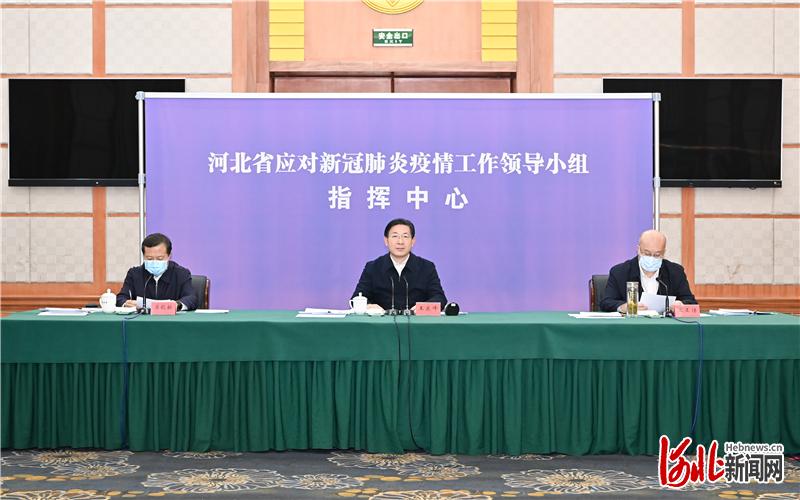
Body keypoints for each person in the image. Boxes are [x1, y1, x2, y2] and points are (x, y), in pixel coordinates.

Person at [352, 218, 447, 312]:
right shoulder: (373, 267)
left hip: (416, 320)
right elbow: (357, 297)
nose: (400, 242)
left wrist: (422, 308)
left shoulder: (426, 267)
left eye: (405, 236)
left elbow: (440, 298)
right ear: (386, 241)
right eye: (395, 236)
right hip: (382, 320)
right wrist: (369, 306)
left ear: (413, 241)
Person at [600, 229, 697, 313]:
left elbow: (691, 302)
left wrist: (681, 305)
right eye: (647, 253)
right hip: (632, 326)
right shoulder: (620, 272)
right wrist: (623, 307)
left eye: (657, 255)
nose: (651, 258)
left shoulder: (675, 272)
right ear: (638, 250)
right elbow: (606, 302)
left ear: (663, 253)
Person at [116, 233, 197, 311]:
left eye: (160, 258)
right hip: (142, 319)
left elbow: (191, 298)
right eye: (149, 258)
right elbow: (121, 298)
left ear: (169, 256)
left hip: (172, 318)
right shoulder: (134, 274)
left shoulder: (181, 273)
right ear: (143, 256)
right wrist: (126, 303)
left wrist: (178, 305)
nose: (154, 262)